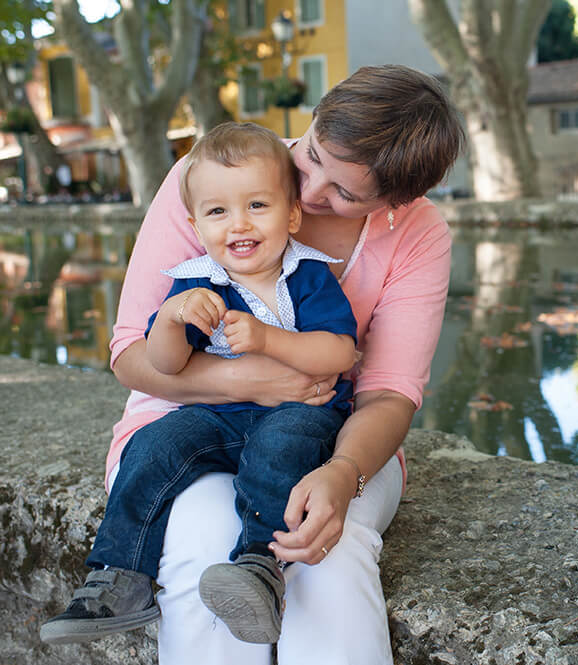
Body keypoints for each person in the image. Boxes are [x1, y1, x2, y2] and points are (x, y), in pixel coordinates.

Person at [72, 65, 463, 665]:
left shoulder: (418, 233)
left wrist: (345, 472)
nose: (309, 193)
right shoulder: (215, 177)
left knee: (326, 550)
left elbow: (387, 391)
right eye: (313, 157)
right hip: (187, 417)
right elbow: (130, 352)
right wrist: (254, 378)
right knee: (200, 541)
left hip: (330, 431)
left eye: (346, 194)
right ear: (313, 120)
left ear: (397, 202)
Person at [41, 122, 360, 646]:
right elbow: (166, 366)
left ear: (292, 214)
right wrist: (170, 318)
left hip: (303, 413)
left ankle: (259, 565)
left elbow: (340, 352)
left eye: (257, 205)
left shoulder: (307, 274)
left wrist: (266, 339)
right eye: (218, 212)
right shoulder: (197, 281)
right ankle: (119, 575)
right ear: (196, 223)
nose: (239, 223)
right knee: (156, 444)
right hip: (219, 415)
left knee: (280, 450)